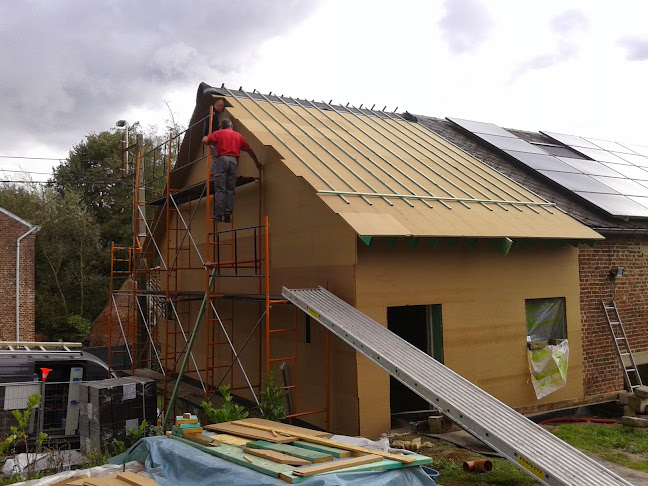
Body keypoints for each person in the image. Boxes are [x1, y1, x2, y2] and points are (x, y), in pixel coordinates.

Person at [202, 118, 261, 223]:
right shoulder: (238, 136)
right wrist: (256, 162)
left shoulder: (219, 133)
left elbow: (205, 140)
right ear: (231, 126)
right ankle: (228, 214)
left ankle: (219, 215)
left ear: (222, 126)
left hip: (223, 159)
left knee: (220, 188)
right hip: (234, 161)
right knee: (230, 189)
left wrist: (212, 142)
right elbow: (249, 150)